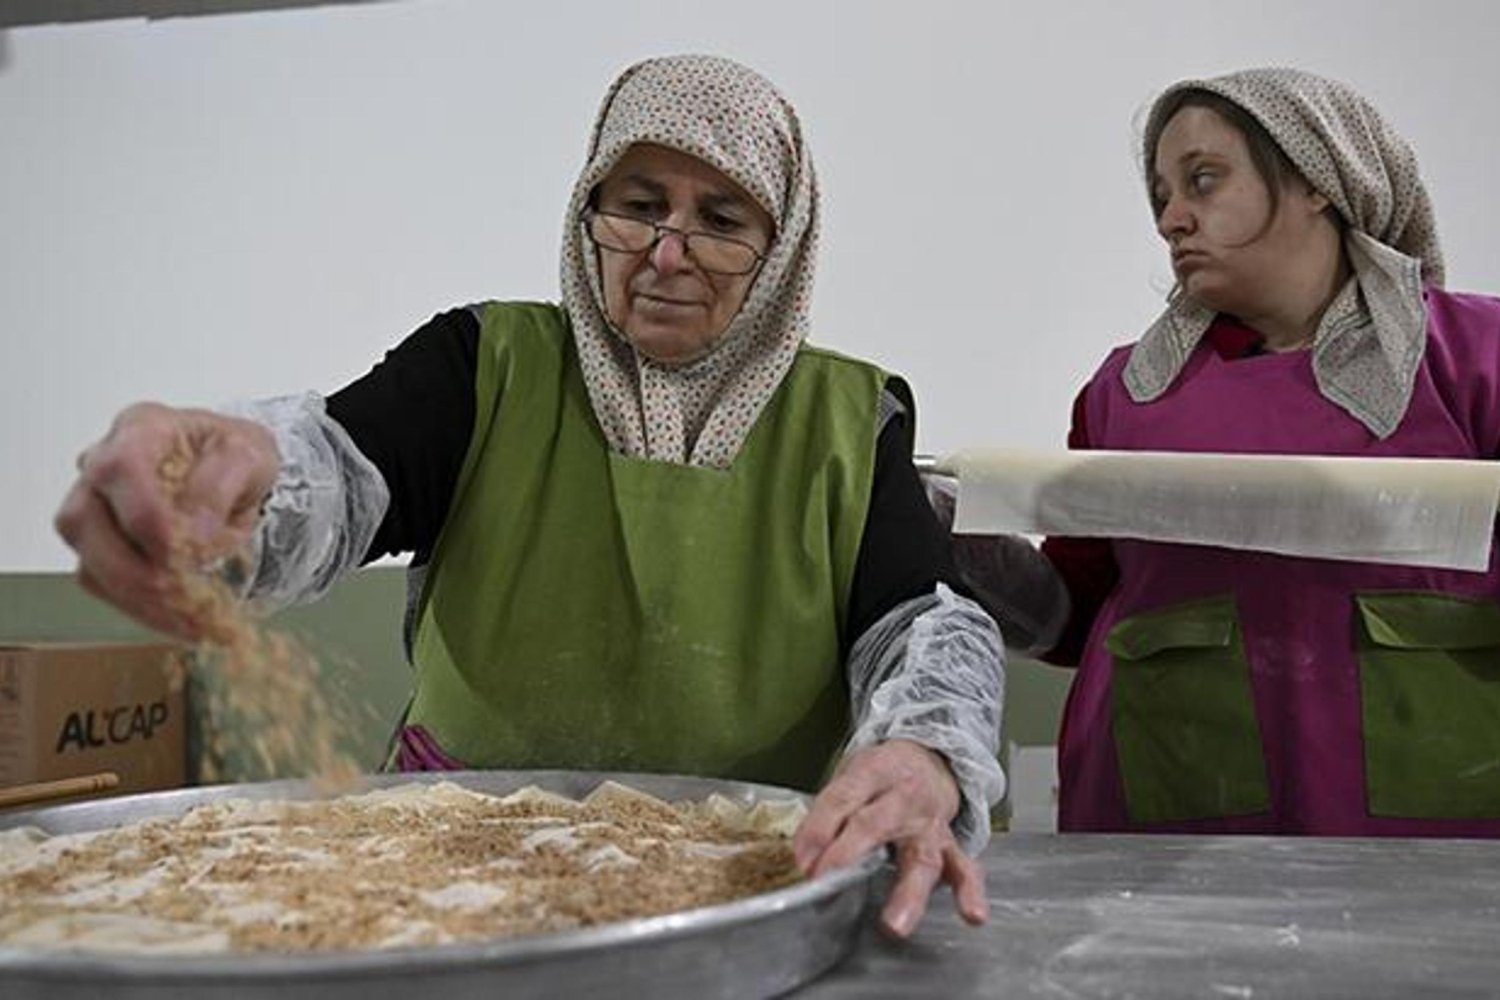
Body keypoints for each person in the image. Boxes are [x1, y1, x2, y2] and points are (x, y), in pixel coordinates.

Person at [54, 54, 1004, 936]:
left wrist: (923, 753)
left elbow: (924, 626)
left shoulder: (847, 419)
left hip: (741, 879)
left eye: (721, 222)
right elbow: (337, 474)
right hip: (436, 869)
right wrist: (228, 480)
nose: (668, 255)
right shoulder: (485, 365)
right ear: (588, 213)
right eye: (638, 207)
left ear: (781, 245)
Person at [1020, 67, 1500, 835]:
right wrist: (964, 545)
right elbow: (1072, 617)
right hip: (1168, 832)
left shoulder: (1475, 360)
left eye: (1203, 181)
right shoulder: (1124, 394)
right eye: (1161, 196)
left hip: (1442, 850)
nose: (1172, 218)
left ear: (1317, 179)